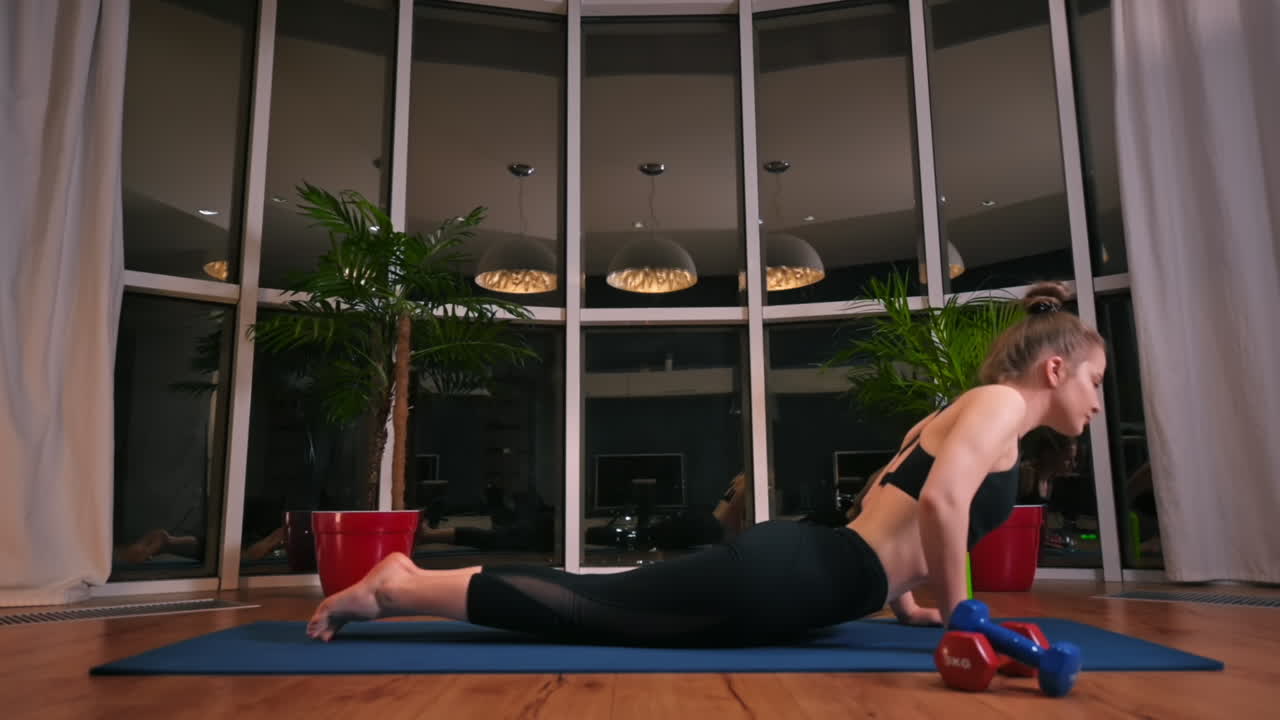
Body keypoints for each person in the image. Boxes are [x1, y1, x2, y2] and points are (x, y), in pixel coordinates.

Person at [306, 282, 1106, 645]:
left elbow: (883, 499)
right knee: (595, 611)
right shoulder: (1001, 404)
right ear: (1057, 369)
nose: (1100, 404)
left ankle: (402, 588)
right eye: (1098, 382)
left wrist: (908, 603)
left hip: (819, 571)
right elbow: (938, 507)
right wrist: (963, 618)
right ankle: (397, 587)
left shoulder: (974, 410)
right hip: (798, 577)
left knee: (604, 608)